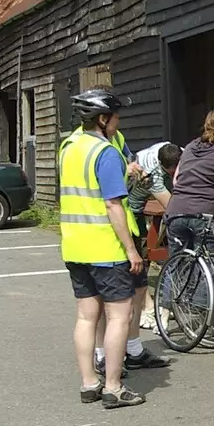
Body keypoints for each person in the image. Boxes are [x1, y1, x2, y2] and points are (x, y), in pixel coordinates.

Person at [60, 89, 148, 409]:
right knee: (119, 316)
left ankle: (88, 383)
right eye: (115, 117)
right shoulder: (105, 152)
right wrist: (131, 249)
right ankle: (113, 386)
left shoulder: (68, 147)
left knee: (86, 317)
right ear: (103, 119)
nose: (118, 122)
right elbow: (113, 205)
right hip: (105, 247)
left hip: (74, 245)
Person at [163, 109, 214, 253]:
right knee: (205, 263)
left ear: (205, 125)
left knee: (176, 264)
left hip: (176, 211)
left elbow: (176, 181)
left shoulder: (189, 148)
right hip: (204, 215)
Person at [125, 139, 181, 336]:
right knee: (137, 262)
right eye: (171, 172)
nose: (174, 174)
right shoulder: (152, 173)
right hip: (131, 209)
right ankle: (147, 308)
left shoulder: (175, 151)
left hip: (139, 202)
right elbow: (173, 206)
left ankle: (152, 305)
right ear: (162, 166)